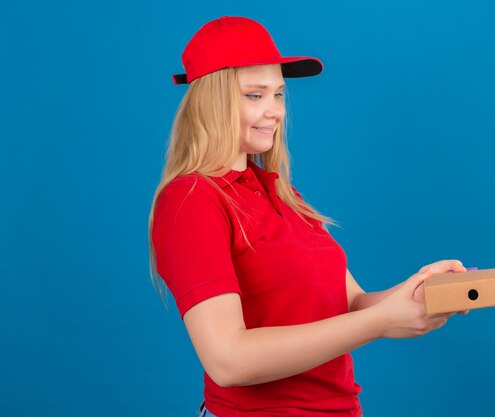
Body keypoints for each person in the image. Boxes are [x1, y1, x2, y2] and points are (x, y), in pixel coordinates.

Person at [148, 16, 466, 417]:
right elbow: (228, 360)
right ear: (212, 100)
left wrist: (421, 291)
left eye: (279, 94)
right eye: (255, 95)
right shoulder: (191, 200)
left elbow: (351, 304)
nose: (275, 111)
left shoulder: (282, 194)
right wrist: (382, 322)